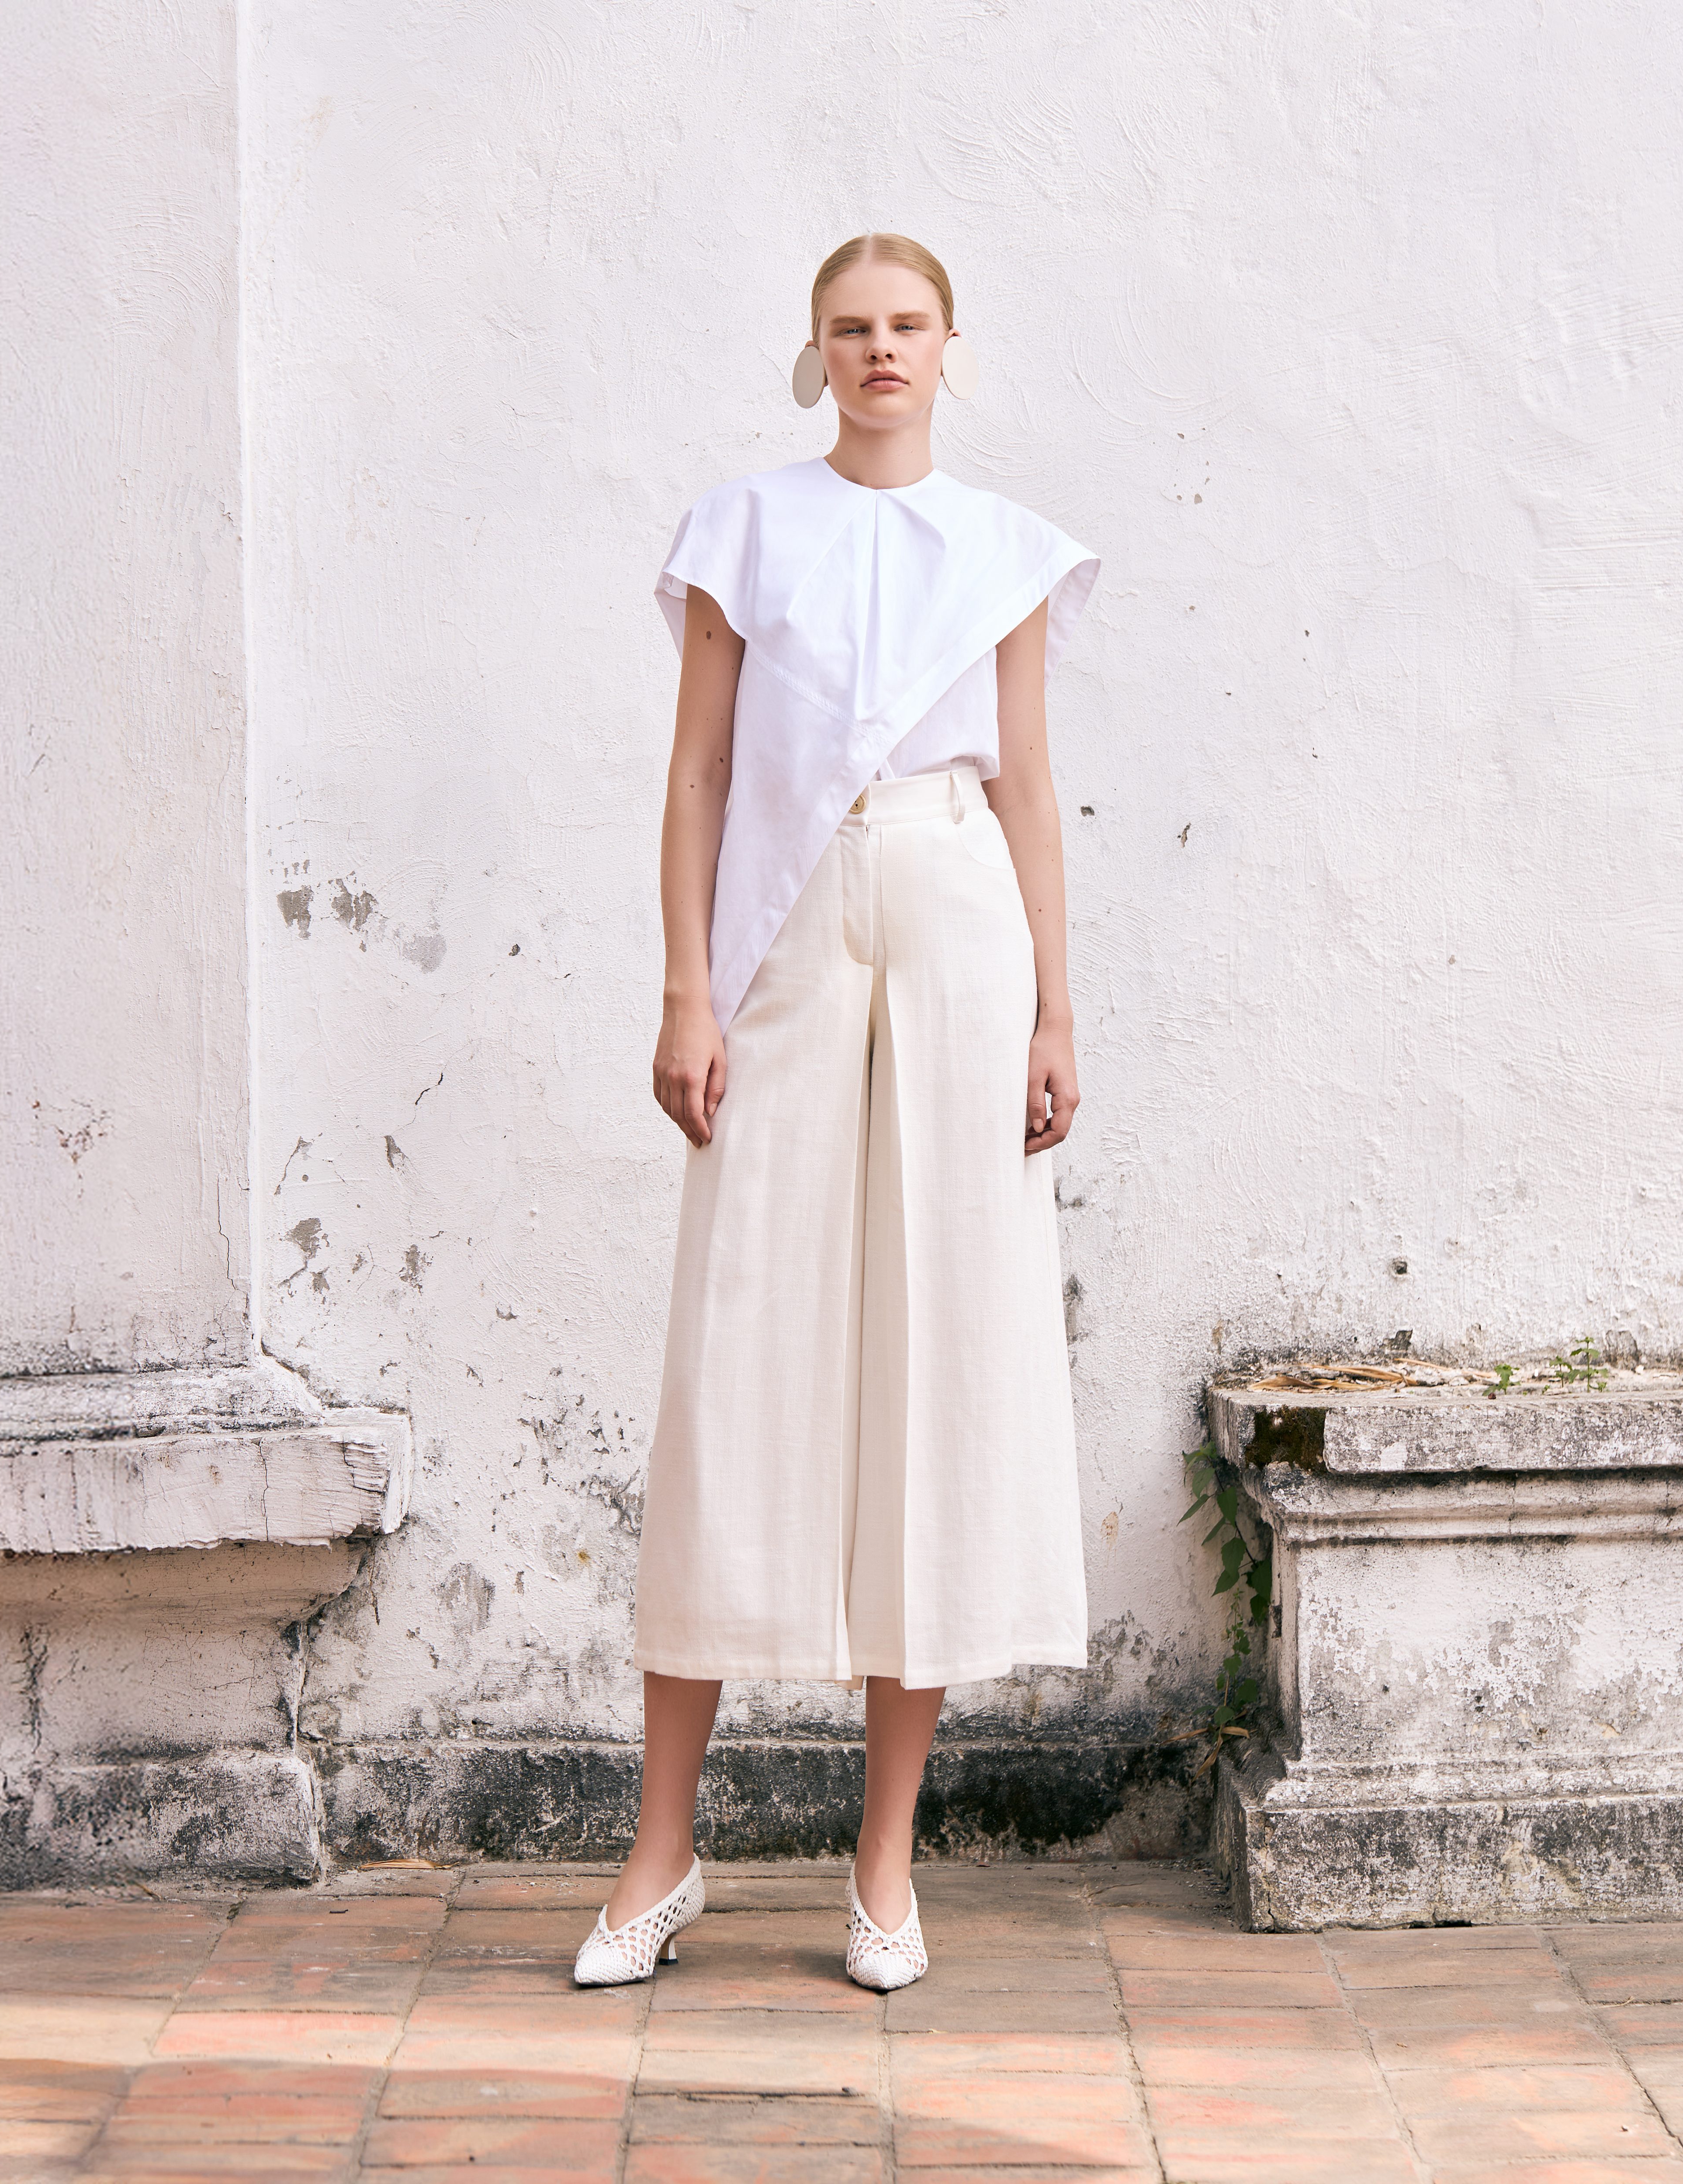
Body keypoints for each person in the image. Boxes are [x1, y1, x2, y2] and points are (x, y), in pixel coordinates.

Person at [574, 233, 1099, 1993]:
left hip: (957, 914)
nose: (882, 351)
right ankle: (663, 1850)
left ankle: (884, 1864)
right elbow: (701, 771)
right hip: (789, 925)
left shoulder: (1006, 549)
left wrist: (1056, 1006)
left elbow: (1028, 784)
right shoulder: (745, 527)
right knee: (738, 1355)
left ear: (951, 347)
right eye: (852, 328)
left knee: (936, 1357)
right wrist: (687, 989)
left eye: (909, 325)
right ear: (816, 352)